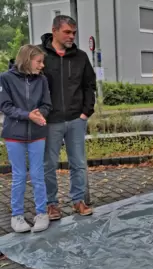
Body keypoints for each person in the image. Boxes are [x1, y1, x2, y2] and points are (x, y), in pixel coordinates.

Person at [40, 15, 96, 219]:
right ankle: (51, 204)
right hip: (50, 121)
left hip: (75, 119)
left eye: (74, 32)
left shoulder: (81, 57)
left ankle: (78, 200)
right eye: (67, 32)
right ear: (54, 30)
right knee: (48, 164)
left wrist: (85, 112)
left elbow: (89, 85)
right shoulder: (40, 55)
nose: (72, 36)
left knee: (78, 162)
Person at [0, 45, 52, 233]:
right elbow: (5, 106)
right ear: (27, 60)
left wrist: (40, 113)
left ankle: (41, 213)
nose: (42, 65)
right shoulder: (5, 79)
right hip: (14, 135)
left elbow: (47, 104)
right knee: (19, 176)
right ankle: (17, 216)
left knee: (38, 175)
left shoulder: (42, 80)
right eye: (38, 61)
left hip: (37, 134)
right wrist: (27, 115)